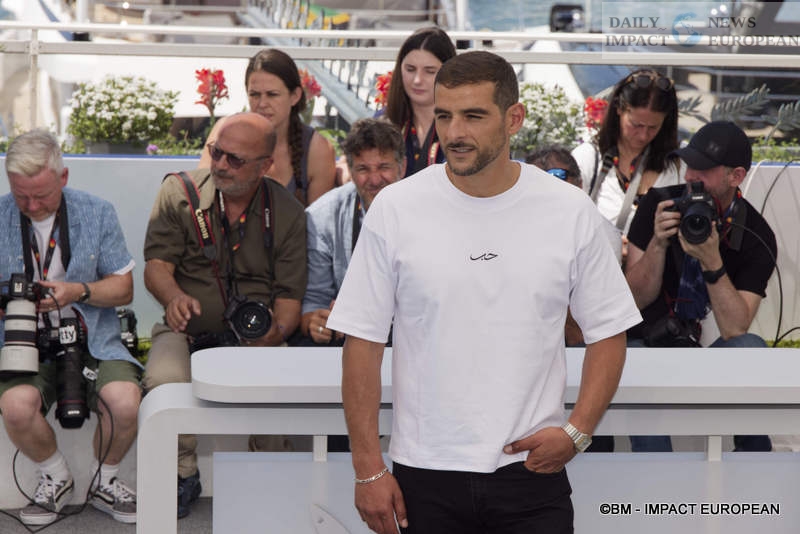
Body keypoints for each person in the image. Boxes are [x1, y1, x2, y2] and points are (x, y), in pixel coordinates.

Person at [327, 51, 642, 534]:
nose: (454, 133)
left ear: (514, 118)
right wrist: (368, 468)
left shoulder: (567, 210)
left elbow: (609, 331)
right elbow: (362, 344)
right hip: (423, 472)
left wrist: (577, 433)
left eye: (474, 116)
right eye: (445, 115)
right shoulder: (397, 208)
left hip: (532, 473)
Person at [143, 112, 307, 518]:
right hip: (185, 329)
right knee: (164, 380)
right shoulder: (178, 192)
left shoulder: (287, 212)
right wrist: (174, 297)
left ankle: (268, 470)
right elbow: (156, 268)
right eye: (217, 152)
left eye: (235, 160)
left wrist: (274, 332)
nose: (219, 165)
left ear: (265, 165)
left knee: (276, 379)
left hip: (255, 337)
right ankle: (182, 474)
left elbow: (288, 301)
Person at [0, 129, 140, 525]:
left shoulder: (97, 212)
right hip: (21, 342)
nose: (30, 205)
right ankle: (57, 476)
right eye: (20, 195)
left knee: (125, 401)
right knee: (15, 406)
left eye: (41, 195)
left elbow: (124, 289)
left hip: (93, 337)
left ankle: (104, 479)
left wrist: (78, 291)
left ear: (63, 177)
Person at [625, 120, 777, 453]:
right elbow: (631, 301)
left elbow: (736, 329)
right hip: (647, 343)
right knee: (631, 361)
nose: (691, 175)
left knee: (751, 351)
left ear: (736, 176)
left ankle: (753, 472)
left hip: (707, 350)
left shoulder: (755, 235)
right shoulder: (659, 205)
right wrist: (658, 245)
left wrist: (712, 261)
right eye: (690, 164)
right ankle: (657, 485)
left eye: (704, 169)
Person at [301, 118, 405, 346]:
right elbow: (314, 301)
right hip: (353, 337)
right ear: (350, 170)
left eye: (384, 167)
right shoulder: (321, 217)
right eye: (363, 169)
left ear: (402, 167)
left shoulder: (430, 212)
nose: (375, 179)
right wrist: (317, 321)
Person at [199, 48, 337, 206]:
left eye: (272, 94)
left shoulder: (317, 149)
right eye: (254, 95)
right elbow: (200, 197)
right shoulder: (225, 130)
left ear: (295, 96)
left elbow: (318, 226)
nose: (262, 104)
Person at [572, 68, 684, 237]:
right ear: (618, 109)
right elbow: (568, 221)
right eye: (636, 125)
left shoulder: (680, 163)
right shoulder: (589, 157)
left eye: (653, 127)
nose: (643, 135)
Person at [383, 26, 456, 177]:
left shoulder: (467, 126)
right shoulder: (384, 122)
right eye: (410, 69)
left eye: (430, 71)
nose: (417, 80)